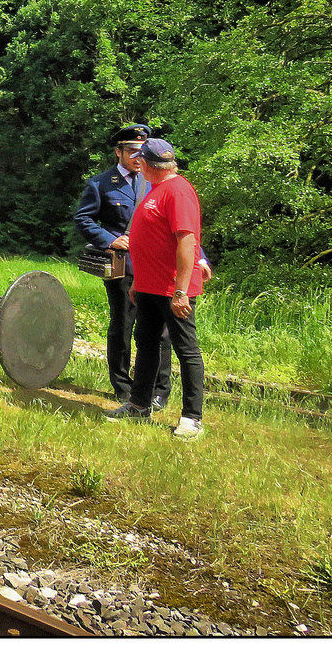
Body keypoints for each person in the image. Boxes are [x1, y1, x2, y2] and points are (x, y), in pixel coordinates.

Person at [107, 138, 210, 439]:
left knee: (185, 349)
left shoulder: (178, 191)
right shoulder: (156, 188)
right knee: (147, 343)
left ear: (150, 165)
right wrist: (139, 281)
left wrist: (180, 291)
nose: (137, 163)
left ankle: (192, 418)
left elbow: (186, 241)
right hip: (150, 286)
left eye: (142, 160)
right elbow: (150, 240)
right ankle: (139, 404)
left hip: (172, 288)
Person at [75, 124, 176, 409]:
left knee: (162, 332)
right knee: (123, 326)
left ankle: (159, 389)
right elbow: (83, 219)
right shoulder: (100, 184)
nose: (137, 156)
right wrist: (110, 240)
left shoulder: (156, 182)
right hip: (123, 266)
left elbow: (177, 225)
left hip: (156, 267)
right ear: (118, 151)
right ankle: (122, 386)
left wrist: (200, 256)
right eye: (132, 150)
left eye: (141, 151)